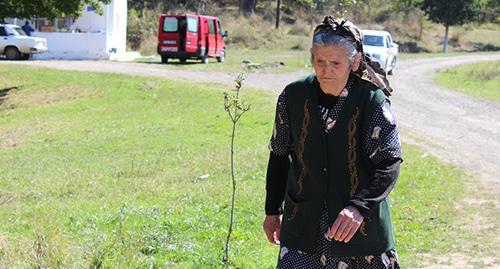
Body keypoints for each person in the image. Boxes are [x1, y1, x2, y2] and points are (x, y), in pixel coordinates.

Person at [263, 16, 402, 268]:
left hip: (360, 232)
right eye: (320, 61)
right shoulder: (292, 96)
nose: (326, 71)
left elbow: (389, 163)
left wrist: (359, 208)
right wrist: (272, 210)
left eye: (336, 63)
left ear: (355, 61)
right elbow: (280, 154)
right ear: (311, 58)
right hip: (302, 228)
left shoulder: (372, 102)